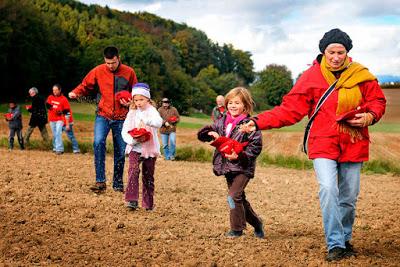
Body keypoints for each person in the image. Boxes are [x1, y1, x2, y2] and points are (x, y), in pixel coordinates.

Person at [241, 28, 386, 261]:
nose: (336, 57)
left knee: (348, 197)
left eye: (341, 52)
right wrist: (257, 122)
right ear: (323, 52)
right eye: (332, 52)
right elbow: (289, 111)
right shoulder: (311, 77)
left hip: (354, 142)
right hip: (323, 142)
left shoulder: (362, 75)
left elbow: (377, 101)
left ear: (348, 53)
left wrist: (370, 116)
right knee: (328, 188)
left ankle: (345, 238)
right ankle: (335, 244)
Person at [197, 87, 264, 239]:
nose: (233, 106)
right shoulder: (222, 121)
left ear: (245, 106)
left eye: (237, 103)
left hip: (243, 167)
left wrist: (239, 156)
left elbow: (255, 147)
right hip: (227, 167)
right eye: (230, 103)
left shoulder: (249, 125)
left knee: (233, 196)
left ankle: (236, 229)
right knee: (239, 198)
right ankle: (257, 223)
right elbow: (207, 131)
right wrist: (208, 134)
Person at [69, 46, 138, 192]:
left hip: (122, 117)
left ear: (118, 58)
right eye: (108, 63)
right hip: (103, 114)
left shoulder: (129, 72)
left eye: (113, 63)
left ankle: (118, 183)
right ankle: (100, 181)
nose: (110, 66)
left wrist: (131, 102)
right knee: (98, 142)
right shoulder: (98, 70)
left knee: (120, 150)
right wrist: (75, 92)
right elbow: (85, 85)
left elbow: (136, 92)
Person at [121, 83, 163, 210]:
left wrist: (147, 121)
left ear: (148, 99)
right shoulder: (132, 112)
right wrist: (131, 140)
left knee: (148, 175)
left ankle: (148, 204)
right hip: (135, 147)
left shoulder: (152, 111)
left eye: (141, 99)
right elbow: (125, 129)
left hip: (149, 149)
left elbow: (159, 122)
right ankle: (132, 200)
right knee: (133, 171)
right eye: (136, 99)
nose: (138, 102)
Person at [46, 84, 71, 155]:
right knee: (55, 134)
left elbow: (67, 112)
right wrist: (54, 108)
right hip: (52, 119)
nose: (54, 91)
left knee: (58, 133)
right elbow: (47, 105)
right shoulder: (50, 97)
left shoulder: (64, 99)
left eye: (56, 90)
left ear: (60, 90)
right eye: (53, 90)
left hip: (60, 119)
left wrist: (67, 124)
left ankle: (59, 149)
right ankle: (55, 147)